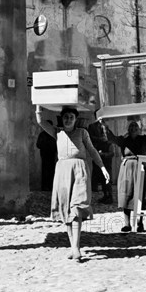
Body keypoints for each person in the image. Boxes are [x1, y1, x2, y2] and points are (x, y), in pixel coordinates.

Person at [35, 105, 110, 261]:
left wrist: (102, 167)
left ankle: (76, 248)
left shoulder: (82, 133)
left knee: (77, 207)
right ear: (62, 119)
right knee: (66, 210)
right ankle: (73, 247)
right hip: (62, 171)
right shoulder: (58, 132)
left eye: (71, 117)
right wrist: (38, 103)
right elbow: (41, 121)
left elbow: (92, 150)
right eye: (66, 117)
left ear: (76, 120)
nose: (68, 119)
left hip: (79, 171)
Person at [102, 115, 146, 233]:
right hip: (126, 170)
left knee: (140, 195)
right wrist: (104, 125)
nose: (133, 128)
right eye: (131, 126)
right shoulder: (123, 140)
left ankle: (140, 223)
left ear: (139, 129)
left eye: (135, 126)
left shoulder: (143, 139)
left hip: (140, 169)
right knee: (126, 194)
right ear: (128, 129)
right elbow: (111, 138)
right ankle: (127, 224)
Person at [88, 114, 114, 203]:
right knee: (99, 174)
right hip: (97, 149)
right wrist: (100, 139)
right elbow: (90, 137)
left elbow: (110, 138)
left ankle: (109, 196)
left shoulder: (106, 125)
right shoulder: (92, 126)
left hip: (106, 149)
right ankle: (104, 194)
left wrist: (106, 141)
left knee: (107, 175)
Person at [36, 120, 58, 191]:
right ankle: (45, 187)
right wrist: (46, 146)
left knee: (51, 171)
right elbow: (38, 145)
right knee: (45, 171)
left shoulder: (53, 134)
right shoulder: (42, 134)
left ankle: (50, 187)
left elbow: (57, 145)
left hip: (51, 155)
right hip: (45, 155)